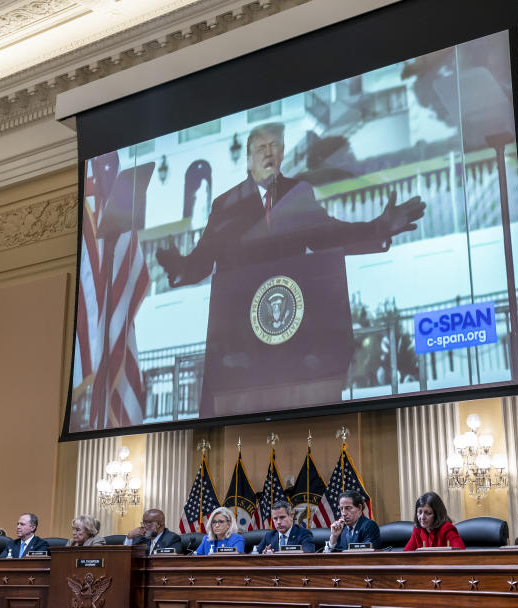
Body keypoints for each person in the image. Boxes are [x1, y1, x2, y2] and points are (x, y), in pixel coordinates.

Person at [156, 122, 426, 417]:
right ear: (248, 159)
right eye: (261, 147)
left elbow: (328, 235)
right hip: (239, 349)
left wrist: (378, 228)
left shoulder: (298, 193)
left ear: (283, 153)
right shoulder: (226, 205)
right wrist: (180, 267)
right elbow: (201, 261)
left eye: (275, 146)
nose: (269, 153)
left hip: (291, 345)